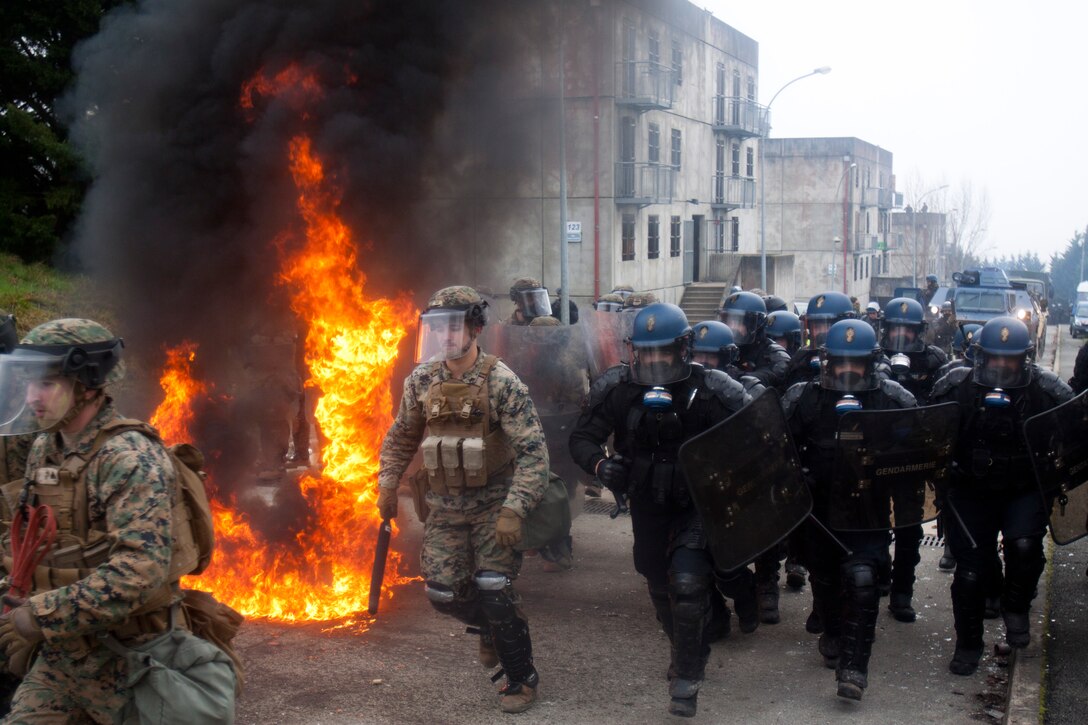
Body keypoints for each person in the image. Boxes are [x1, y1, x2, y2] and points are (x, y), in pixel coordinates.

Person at [0, 318, 227, 721]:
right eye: (29, 383)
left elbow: (138, 572)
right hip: (63, 657)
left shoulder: (130, 457)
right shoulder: (43, 449)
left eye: (47, 384)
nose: (33, 396)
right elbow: (32, 538)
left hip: (134, 655)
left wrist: (41, 613)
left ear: (86, 385)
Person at [569, 303, 755, 717]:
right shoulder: (618, 387)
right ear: (635, 351)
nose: (654, 362)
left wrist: (726, 477)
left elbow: (756, 435)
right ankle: (689, 645)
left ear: (683, 349)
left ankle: (687, 676)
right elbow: (581, 438)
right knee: (657, 584)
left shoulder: (712, 388)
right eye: (646, 354)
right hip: (648, 504)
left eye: (663, 353)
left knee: (687, 584)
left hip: (697, 505)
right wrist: (602, 465)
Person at [376, 286, 550, 713]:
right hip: (445, 507)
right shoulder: (421, 380)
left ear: (475, 326)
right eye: (436, 328)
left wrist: (514, 509)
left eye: (453, 325)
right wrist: (386, 482)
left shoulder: (502, 382)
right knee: (443, 593)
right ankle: (492, 627)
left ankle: (520, 678)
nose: (444, 335)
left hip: (494, 506)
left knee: (494, 585)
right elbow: (401, 437)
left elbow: (534, 454)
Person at [930, 316, 1074, 676]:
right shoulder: (956, 386)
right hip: (971, 491)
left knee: (1024, 547)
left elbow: (1074, 427)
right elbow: (928, 432)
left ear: (1024, 359)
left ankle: (1016, 608)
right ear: (980, 356)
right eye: (994, 358)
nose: (1001, 366)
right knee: (970, 574)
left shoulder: (1046, 389)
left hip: (1023, 489)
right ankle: (968, 644)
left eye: (1009, 360)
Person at [782, 319, 917, 701]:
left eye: (854, 363)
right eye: (839, 361)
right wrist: (798, 474)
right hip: (819, 514)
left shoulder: (892, 400)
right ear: (827, 360)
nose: (846, 370)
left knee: (862, 582)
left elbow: (918, 454)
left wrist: (889, 468)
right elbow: (775, 445)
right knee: (825, 582)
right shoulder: (803, 398)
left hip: (867, 514)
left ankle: (854, 669)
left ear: (870, 362)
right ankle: (834, 632)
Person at [876, 297, 948, 622]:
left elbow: (942, 406)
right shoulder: (872, 357)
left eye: (908, 329)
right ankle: (879, 576)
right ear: (885, 330)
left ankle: (902, 592)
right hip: (877, 456)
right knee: (873, 523)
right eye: (895, 329)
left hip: (913, 459)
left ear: (920, 331)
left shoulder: (934, 361)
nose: (901, 336)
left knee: (909, 528)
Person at [718, 291, 790, 389]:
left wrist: (735, 375)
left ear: (754, 325)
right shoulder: (722, 349)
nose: (732, 327)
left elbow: (770, 377)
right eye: (728, 321)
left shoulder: (774, 355)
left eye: (738, 322)